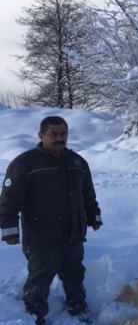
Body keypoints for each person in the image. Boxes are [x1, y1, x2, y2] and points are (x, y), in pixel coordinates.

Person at [0, 116, 102, 324]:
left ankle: (78, 307)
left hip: (74, 232)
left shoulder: (77, 162)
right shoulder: (25, 163)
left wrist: (94, 216)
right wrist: (9, 229)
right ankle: (34, 315)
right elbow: (9, 200)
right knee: (40, 279)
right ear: (41, 135)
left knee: (74, 274)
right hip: (41, 236)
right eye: (53, 134)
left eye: (63, 134)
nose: (59, 138)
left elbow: (88, 195)